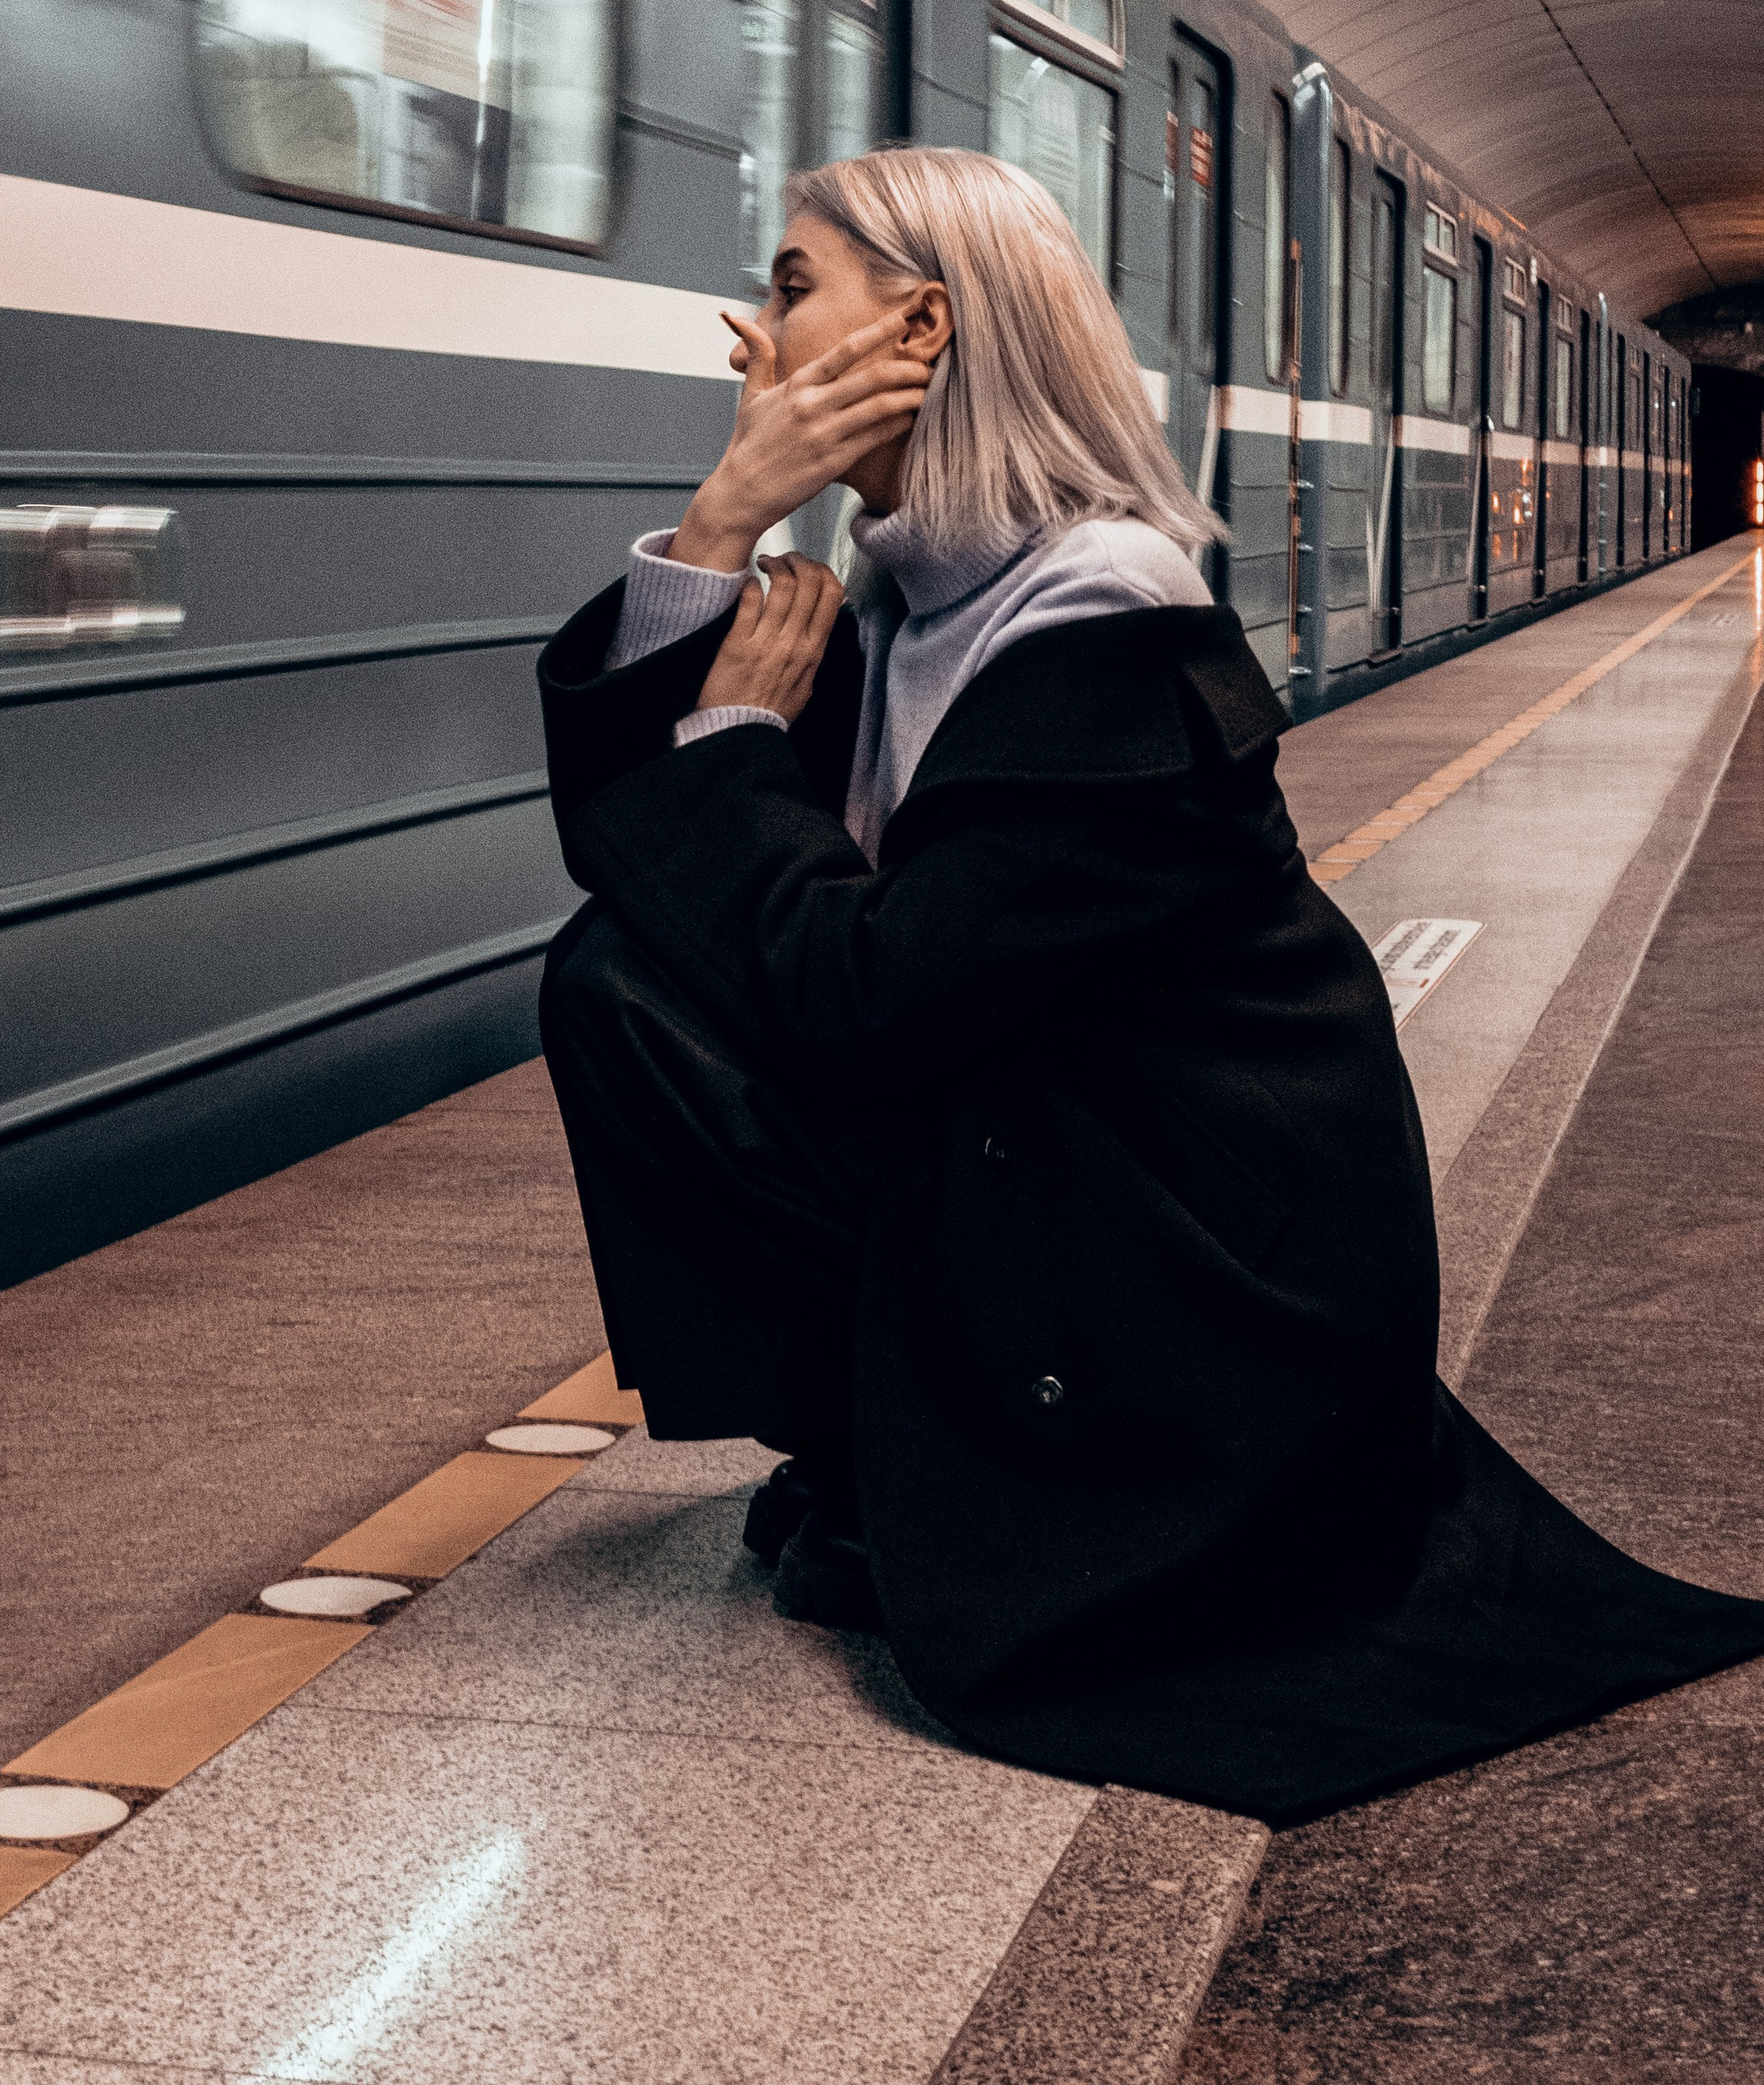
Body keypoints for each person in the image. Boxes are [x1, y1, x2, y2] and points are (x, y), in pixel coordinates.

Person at [534, 145, 1764, 1824]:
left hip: (1191, 1272)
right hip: (1056, 1163)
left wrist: (742, 736)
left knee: (637, 992)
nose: (749, 334)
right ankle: (876, 1449)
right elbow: (640, 856)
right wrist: (716, 531)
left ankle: (941, 1472)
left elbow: (858, 997)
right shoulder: (916, 591)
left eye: (789, 285)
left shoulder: (1100, 620)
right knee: (622, 980)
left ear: (920, 328)